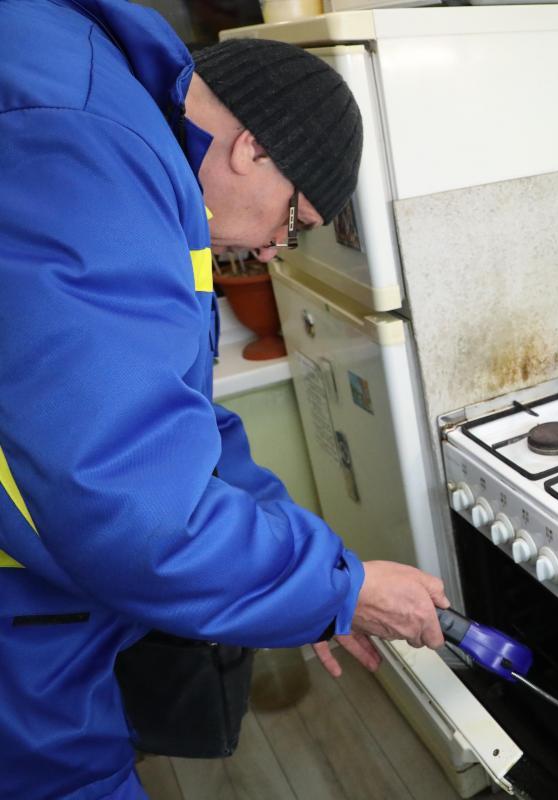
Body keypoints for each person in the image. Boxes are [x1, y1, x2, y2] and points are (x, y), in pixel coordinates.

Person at [0, 1, 449, 797]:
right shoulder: (91, 150)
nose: (274, 249)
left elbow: (173, 418)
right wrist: (340, 592)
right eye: (293, 220)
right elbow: (134, 509)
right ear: (252, 149)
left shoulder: (123, 128)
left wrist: (326, 574)